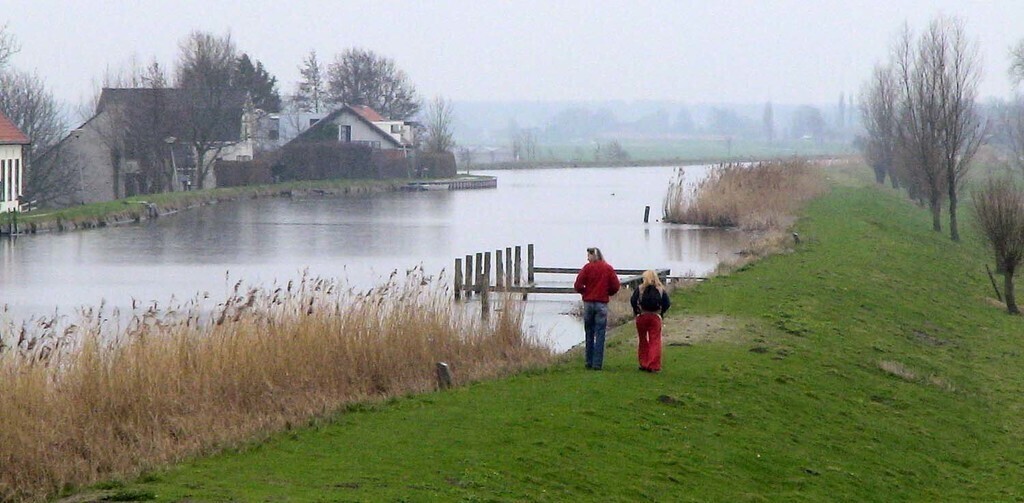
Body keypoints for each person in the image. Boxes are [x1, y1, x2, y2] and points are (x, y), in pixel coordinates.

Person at [574, 247, 620, 370]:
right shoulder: (607, 268)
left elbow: (577, 285)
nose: (587, 258)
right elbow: (616, 286)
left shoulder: (587, 268)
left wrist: (585, 292)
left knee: (589, 332)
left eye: (588, 255)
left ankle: (588, 361)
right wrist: (607, 293)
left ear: (593, 256)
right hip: (601, 303)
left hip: (588, 302)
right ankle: (597, 363)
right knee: (600, 333)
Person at [629, 270, 671, 373]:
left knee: (643, 340)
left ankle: (643, 363)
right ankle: (653, 365)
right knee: (655, 340)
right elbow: (667, 303)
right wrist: (661, 313)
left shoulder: (640, 289)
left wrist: (637, 312)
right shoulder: (660, 290)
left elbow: (633, 301)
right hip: (655, 317)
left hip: (642, 316)